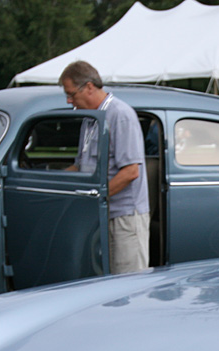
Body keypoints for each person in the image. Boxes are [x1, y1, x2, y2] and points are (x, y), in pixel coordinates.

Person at [59, 61, 149, 273]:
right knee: (105, 284)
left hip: (124, 216)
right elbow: (81, 166)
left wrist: (95, 196)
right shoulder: (90, 119)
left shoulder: (120, 115)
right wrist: (52, 179)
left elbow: (130, 172)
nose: (69, 100)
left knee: (128, 284)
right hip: (101, 215)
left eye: (72, 94)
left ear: (89, 87)